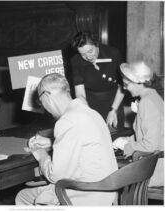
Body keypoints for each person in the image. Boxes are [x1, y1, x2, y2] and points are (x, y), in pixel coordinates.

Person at [16, 73, 118, 205]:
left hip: (87, 195)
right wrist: (52, 142)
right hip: (107, 191)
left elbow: (56, 176)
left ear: (46, 96)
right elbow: (82, 142)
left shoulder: (67, 121)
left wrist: (41, 155)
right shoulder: (90, 112)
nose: (45, 109)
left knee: (23, 197)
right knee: (27, 195)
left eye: (41, 103)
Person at [113, 61, 164, 186]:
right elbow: (148, 133)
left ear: (138, 82)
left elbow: (151, 145)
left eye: (126, 84)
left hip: (157, 168)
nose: (124, 88)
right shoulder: (152, 96)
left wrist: (126, 145)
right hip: (154, 163)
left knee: (115, 179)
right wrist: (127, 139)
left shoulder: (147, 103)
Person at [70, 31, 125, 128]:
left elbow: (122, 86)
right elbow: (80, 93)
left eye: (90, 51)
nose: (88, 57)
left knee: (116, 135)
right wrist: (87, 112)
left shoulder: (113, 53)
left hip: (114, 100)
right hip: (90, 102)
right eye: (83, 54)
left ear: (96, 44)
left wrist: (114, 110)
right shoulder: (76, 60)